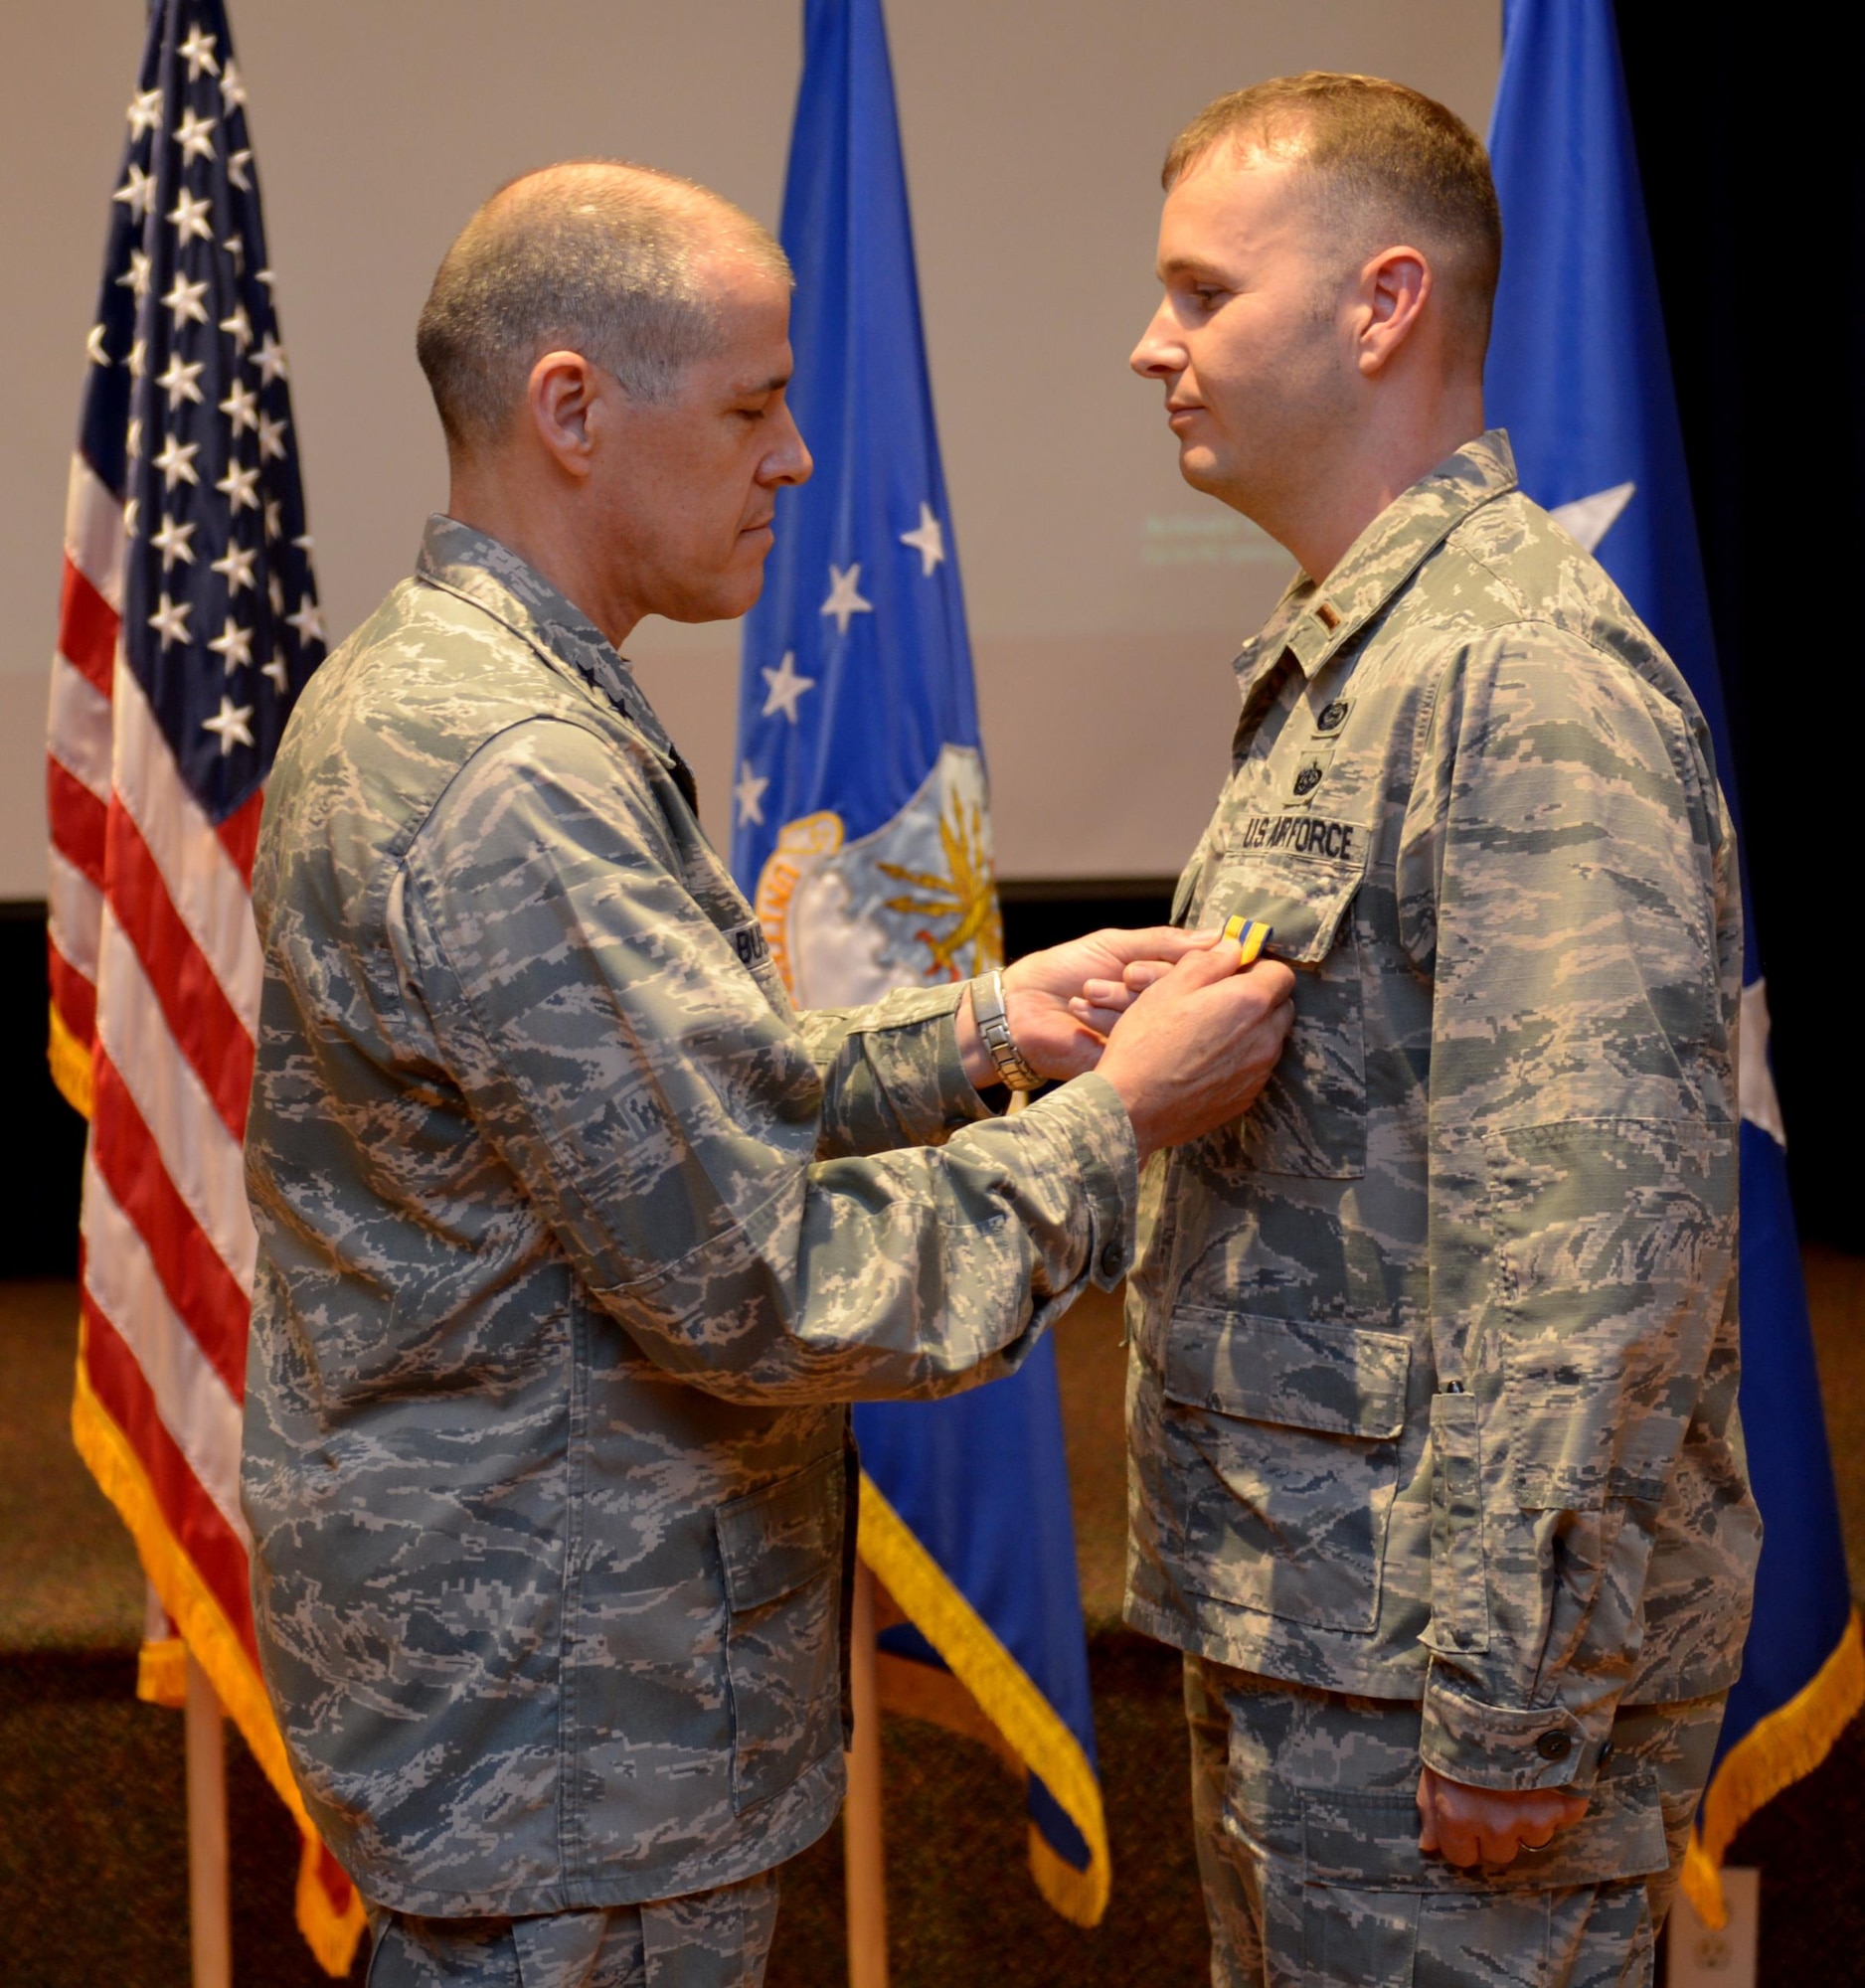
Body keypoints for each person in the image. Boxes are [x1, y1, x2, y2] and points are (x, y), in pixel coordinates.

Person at [241, 160, 1295, 1988]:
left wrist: (978, 1035)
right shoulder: (511, 773)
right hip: (572, 1734)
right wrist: (1114, 1127)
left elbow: (652, 1113)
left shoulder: (457, 686)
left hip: (540, 1705)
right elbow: (765, 1287)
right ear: (570, 410)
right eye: (748, 407)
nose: (796, 458)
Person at [1100, 75, 1761, 1987]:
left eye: (1204, 294)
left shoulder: (1521, 680)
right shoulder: (1359, 661)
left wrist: (1513, 1697)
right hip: (1313, 1645)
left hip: (1433, 1702)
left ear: (1382, 306)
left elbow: (1594, 1253)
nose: (1154, 344)